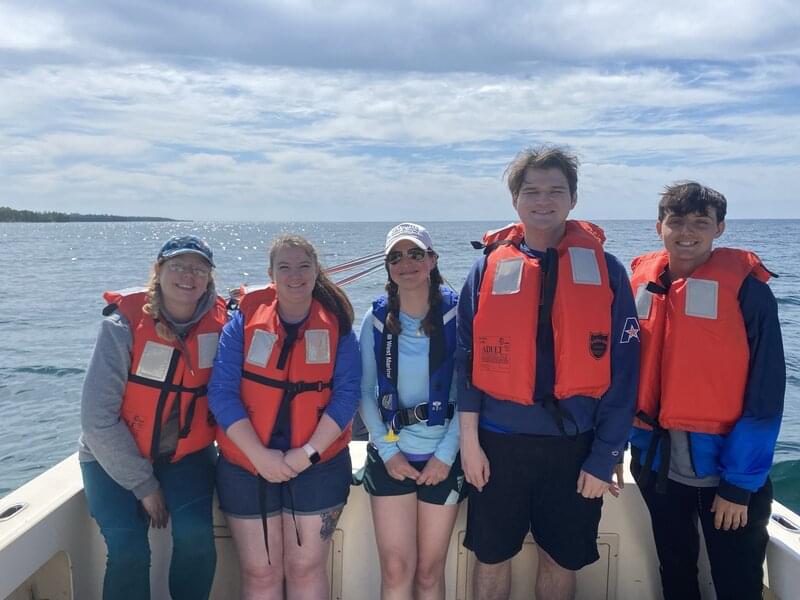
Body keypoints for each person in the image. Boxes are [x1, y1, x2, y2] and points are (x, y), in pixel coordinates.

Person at [456, 146, 639, 600]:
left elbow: (625, 373)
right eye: (531, 191)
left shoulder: (608, 271)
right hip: (498, 444)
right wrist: (470, 443)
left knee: (560, 558)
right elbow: (466, 360)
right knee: (491, 557)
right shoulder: (486, 268)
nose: (544, 201)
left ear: (573, 199)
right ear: (515, 201)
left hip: (574, 448)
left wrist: (605, 456)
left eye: (556, 190)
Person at [629, 182, 785, 600]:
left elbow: (766, 397)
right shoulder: (640, 285)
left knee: (737, 582)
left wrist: (739, 486)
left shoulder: (750, 293)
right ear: (658, 226)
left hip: (727, 475)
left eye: (701, 222)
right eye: (676, 221)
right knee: (676, 571)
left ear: (720, 229)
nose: (687, 232)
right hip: (658, 466)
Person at [209, 234, 360, 599]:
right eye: (285, 267)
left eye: (304, 266)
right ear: (271, 274)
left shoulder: (337, 326)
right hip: (245, 464)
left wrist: (305, 454)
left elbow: (346, 396)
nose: (295, 275)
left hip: (318, 463)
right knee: (261, 573)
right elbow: (221, 392)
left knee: (305, 568)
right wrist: (259, 457)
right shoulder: (242, 324)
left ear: (316, 271)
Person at [79, 235, 223, 600]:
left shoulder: (223, 324)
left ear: (209, 278)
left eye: (199, 269)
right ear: (158, 271)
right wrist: (144, 485)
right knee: (129, 550)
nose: (188, 276)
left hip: (186, 456)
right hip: (111, 458)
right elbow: (96, 419)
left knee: (197, 538)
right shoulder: (122, 326)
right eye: (177, 266)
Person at [358, 223, 467, 600]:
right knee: (396, 568)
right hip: (392, 455)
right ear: (387, 267)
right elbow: (365, 391)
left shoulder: (459, 317)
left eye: (416, 254)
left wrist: (445, 454)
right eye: (396, 257)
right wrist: (388, 451)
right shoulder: (374, 321)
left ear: (432, 260)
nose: (407, 263)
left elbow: (468, 393)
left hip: (443, 458)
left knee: (428, 572)